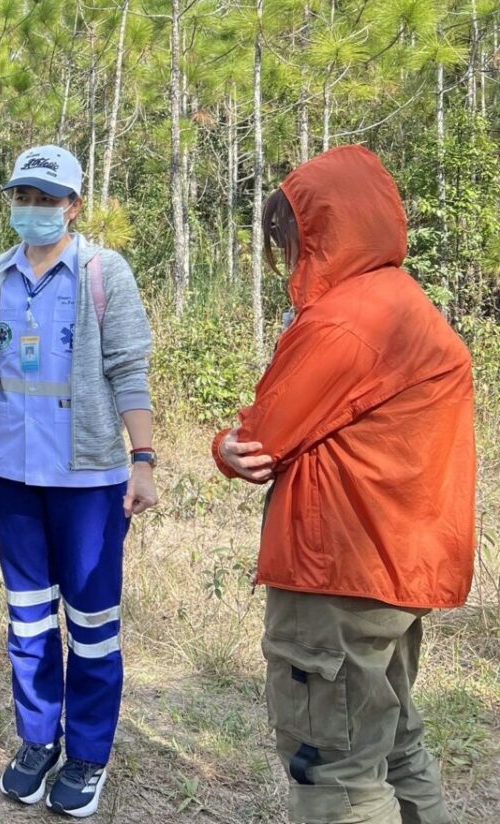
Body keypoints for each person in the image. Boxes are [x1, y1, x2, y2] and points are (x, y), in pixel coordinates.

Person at [214, 145, 475, 824]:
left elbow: (260, 440)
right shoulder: (402, 300)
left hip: (336, 572)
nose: (285, 252)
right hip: (391, 566)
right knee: (390, 748)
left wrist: (222, 445)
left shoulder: (343, 322)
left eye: (287, 235)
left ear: (318, 231)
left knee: (333, 774)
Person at [0, 144, 156, 819]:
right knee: (29, 617)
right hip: (9, 472)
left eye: (47, 198)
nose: (33, 210)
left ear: (73, 204)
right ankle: (38, 740)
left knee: (91, 622)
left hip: (88, 479)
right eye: (23, 197)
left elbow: (127, 365)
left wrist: (143, 457)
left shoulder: (102, 272)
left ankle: (88, 752)